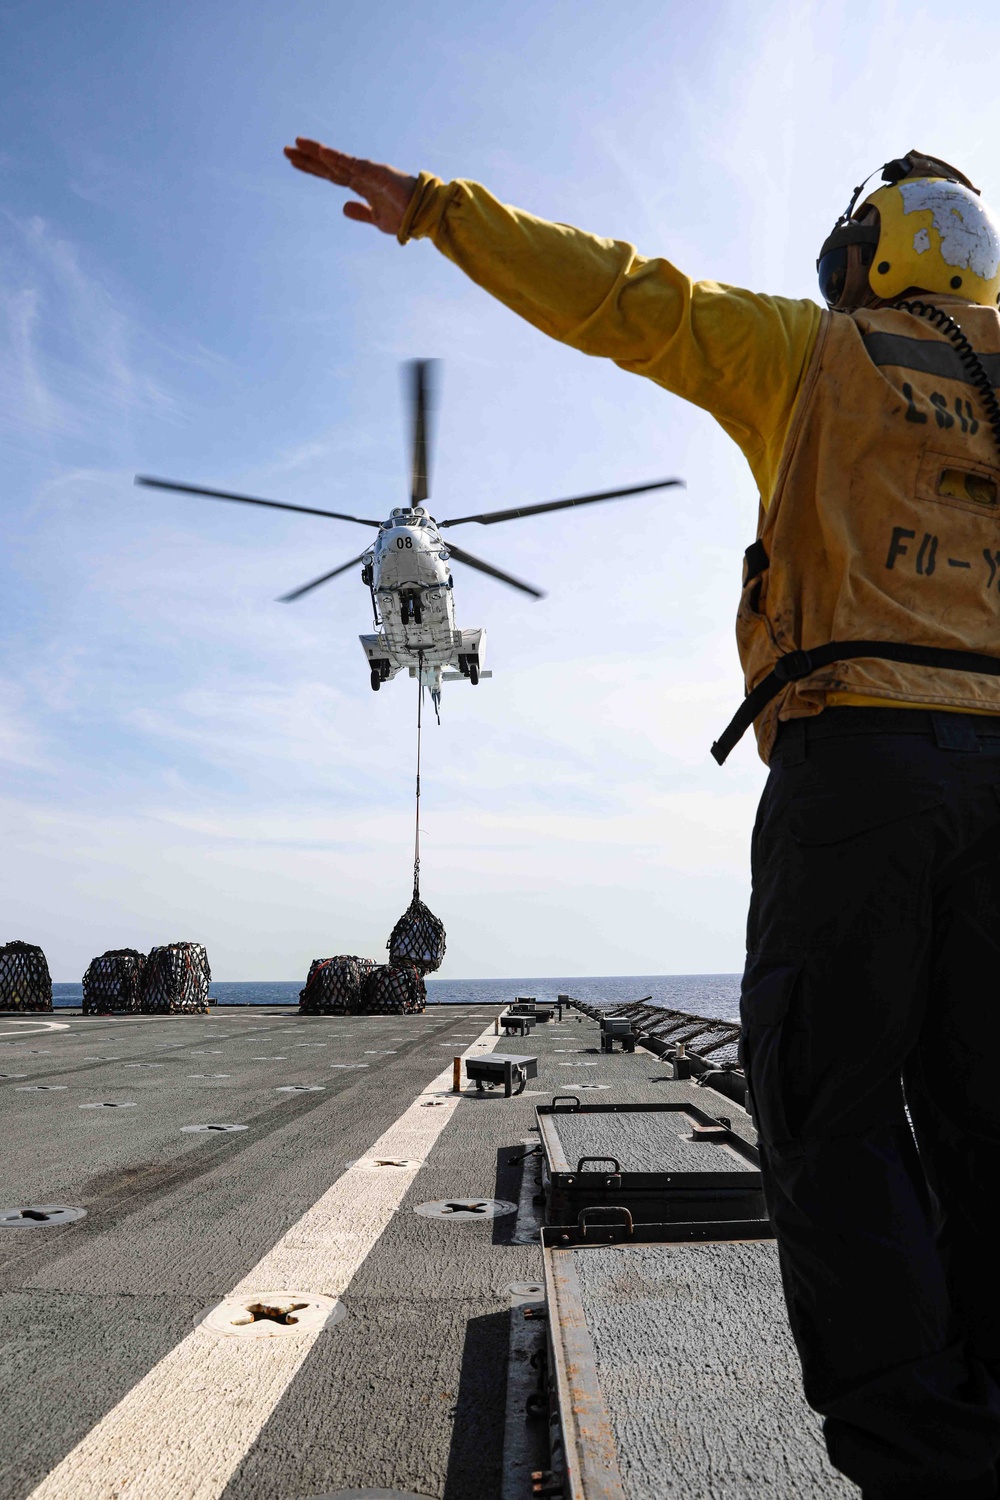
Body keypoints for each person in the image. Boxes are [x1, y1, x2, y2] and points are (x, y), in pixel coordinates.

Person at [285, 138, 1000, 1499]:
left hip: (864, 771)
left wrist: (442, 214)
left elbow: (623, 294)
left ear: (875, 255)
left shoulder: (810, 353)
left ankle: (931, 1465)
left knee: (833, 1111)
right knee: (987, 1117)